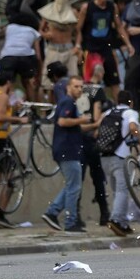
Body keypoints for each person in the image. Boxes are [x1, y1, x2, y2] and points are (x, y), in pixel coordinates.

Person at [42, 76, 101, 233]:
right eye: (76, 86)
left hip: (69, 149)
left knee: (72, 185)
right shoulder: (68, 102)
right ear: (68, 87)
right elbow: (62, 121)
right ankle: (70, 222)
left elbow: (74, 127)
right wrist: (81, 120)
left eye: (81, 87)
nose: (79, 89)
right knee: (74, 187)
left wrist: (93, 125)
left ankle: (52, 213)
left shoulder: (69, 103)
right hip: (67, 150)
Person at [76, 0, 134, 102]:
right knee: (93, 78)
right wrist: (78, 45)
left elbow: (119, 27)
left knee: (114, 81)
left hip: (106, 49)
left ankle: (120, 108)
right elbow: (79, 29)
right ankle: (89, 107)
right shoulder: (87, 8)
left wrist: (128, 44)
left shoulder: (112, 7)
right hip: (91, 49)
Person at [0, 73, 28, 229]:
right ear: (8, 82)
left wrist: (13, 105)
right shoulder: (2, 96)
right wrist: (19, 119)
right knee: (10, 180)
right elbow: (0, 115)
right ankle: (1, 215)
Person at [101, 90, 140, 237]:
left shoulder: (107, 113)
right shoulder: (131, 113)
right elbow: (133, 128)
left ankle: (123, 223)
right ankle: (116, 220)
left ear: (117, 101)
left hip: (104, 156)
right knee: (122, 190)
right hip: (120, 156)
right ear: (130, 102)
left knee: (116, 191)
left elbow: (97, 132)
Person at [75, 62, 110, 226]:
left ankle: (75, 214)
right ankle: (104, 214)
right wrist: (98, 122)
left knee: (77, 180)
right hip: (91, 139)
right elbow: (96, 115)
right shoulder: (98, 91)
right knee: (97, 178)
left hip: (77, 138)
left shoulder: (77, 89)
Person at [38, 0, 79, 94]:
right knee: (48, 82)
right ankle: (49, 108)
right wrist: (45, 35)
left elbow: (79, 32)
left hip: (69, 49)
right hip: (53, 49)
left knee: (73, 80)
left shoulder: (74, 12)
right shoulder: (48, 12)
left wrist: (78, 46)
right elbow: (40, 30)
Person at [0, 12, 41, 102]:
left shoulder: (9, 27)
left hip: (8, 56)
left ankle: (10, 106)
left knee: (8, 83)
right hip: (26, 57)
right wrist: (38, 74)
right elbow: (38, 55)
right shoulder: (33, 31)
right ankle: (31, 107)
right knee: (27, 82)